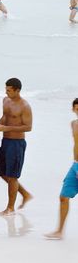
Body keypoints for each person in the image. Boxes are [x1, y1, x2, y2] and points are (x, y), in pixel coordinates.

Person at [0, 78, 33, 216]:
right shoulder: (5, 100)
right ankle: (25, 194)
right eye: (6, 89)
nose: (7, 92)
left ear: (17, 90)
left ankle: (10, 208)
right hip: (5, 141)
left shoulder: (25, 106)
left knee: (12, 176)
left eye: (9, 90)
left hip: (17, 143)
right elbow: (5, 116)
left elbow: (28, 127)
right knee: (3, 173)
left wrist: (6, 127)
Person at [45, 98, 78, 239]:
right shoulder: (73, 124)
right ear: (73, 109)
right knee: (63, 197)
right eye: (76, 108)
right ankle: (59, 231)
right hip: (75, 164)